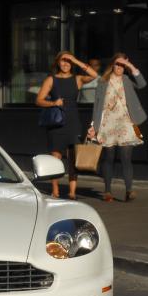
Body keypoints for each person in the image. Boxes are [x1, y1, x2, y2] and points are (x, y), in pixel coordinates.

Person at [36, 51, 99, 199]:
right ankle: (55, 190)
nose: (65, 64)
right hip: (57, 123)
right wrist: (53, 103)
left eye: (68, 61)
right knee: (55, 158)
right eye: (63, 61)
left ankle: (72, 192)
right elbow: (38, 100)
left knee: (73, 159)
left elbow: (94, 75)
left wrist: (75, 60)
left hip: (73, 122)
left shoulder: (77, 79)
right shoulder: (51, 80)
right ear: (58, 62)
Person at [87, 53, 147, 202]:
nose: (120, 67)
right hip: (107, 124)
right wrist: (93, 126)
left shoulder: (127, 80)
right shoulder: (103, 81)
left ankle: (129, 190)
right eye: (117, 64)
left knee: (126, 158)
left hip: (126, 123)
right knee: (109, 157)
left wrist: (130, 66)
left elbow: (142, 84)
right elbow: (97, 106)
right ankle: (107, 191)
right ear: (112, 65)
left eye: (122, 65)